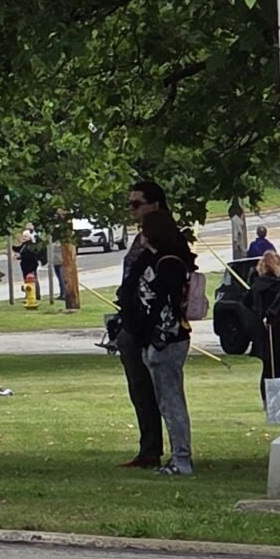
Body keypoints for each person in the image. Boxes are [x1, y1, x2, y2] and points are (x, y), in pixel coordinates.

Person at [133, 210, 196, 476]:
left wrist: (158, 339)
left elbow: (168, 305)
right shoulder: (156, 259)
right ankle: (177, 457)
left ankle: (182, 459)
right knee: (166, 401)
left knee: (171, 402)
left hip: (167, 342)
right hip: (158, 341)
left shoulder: (168, 263)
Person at [114, 181, 171, 468]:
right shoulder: (141, 238)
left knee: (164, 392)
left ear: (155, 205)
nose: (132, 209)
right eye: (130, 204)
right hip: (132, 326)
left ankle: (178, 455)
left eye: (137, 204)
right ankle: (149, 449)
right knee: (140, 389)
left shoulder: (164, 239)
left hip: (154, 327)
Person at [249, 250, 280, 410]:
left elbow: (247, 303)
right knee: (277, 368)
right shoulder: (278, 287)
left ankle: (268, 402)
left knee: (268, 367)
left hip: (262, 333)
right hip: (277, 332)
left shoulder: (256, 285)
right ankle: (274, 404)